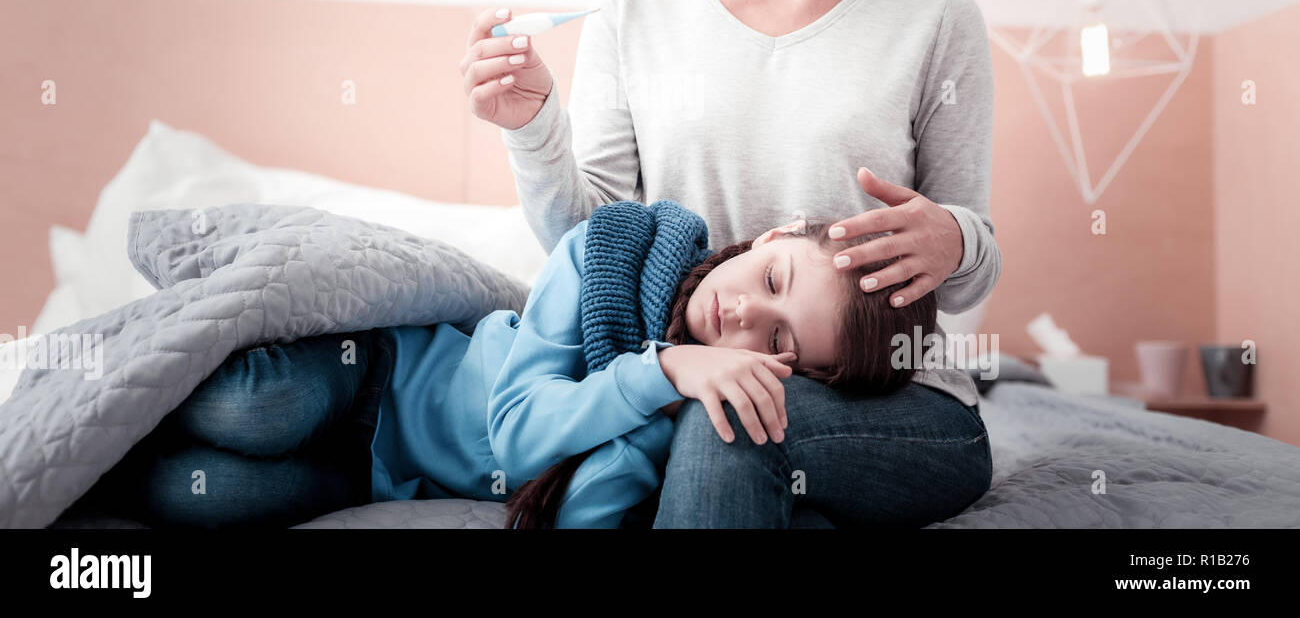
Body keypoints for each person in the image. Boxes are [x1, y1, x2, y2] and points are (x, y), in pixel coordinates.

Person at [460, 0, 1000, 527]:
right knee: (729, 406)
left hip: (892, 398)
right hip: (696, 373)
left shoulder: (932, 12)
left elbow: (965, 278)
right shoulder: (635, 2)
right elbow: (592, 246)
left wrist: (955, 240)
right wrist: (533, 130)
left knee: (736, 421)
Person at [66, 201, 949, 530]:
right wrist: (661, 370)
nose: (747, 312)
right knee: (262, 409)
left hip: (369, 474)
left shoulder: (685, 428)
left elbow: (558, 498)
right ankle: (99, 383)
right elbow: (520, 432)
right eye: (774, 278)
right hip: (373, 375)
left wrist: (661, 408)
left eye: (778, 344)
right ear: (775, 234)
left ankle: (94, 462)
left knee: (190, 494)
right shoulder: (609, 255)